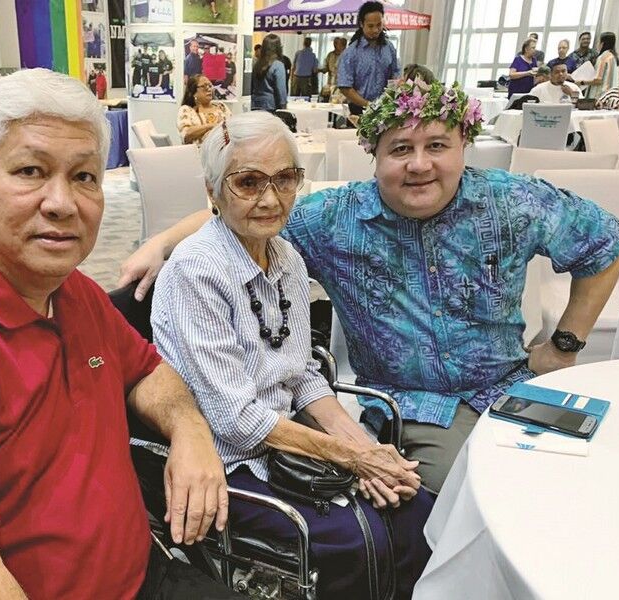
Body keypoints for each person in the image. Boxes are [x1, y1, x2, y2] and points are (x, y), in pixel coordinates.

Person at [118, 81, 619, 494]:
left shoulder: (513, 201)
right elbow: (244, 207)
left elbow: (608, 242)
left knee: (585, 478)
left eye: (437, 145)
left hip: (513, 387)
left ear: (464, 147)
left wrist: (564, 346)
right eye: (400, 149)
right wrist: (161, 241)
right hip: (413, 407)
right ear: (375, 158)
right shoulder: (334, 219)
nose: (419, 164)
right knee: (485, 497)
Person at [0, 68, 238, 600]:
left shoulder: (71, 293)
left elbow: (147, 371)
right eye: (31, 171)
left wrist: (190, 431)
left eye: (84, 177)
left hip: (143, 575)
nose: (63, 203)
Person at [148, 110, 433, 599]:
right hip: (228, 459)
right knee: (351, 539)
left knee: (416, 509)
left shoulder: (287, 258)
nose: (271, 198)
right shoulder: (197, 271)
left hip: (290, 447)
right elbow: (236, 419)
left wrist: (363, 450)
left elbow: (301, 374)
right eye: (248, 182)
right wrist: (350, 458)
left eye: (285, 179)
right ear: (213, 192)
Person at [337, 1, 401, 115]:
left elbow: (396, 76)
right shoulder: (351, 53)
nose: (376, 30)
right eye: (370, 26)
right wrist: (369, 105)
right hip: (359, 110)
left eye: (379, 25)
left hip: (385, 110)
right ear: (362, 24)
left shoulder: (389, 48)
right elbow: (345, 87)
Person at [177, 74, 231, 145]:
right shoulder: (187, 110)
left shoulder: (221, 106)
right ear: (194, 93)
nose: (209, 89)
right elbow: (186, 135)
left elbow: (232, 127)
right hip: (198, 153)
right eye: (204, 86)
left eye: (210, 86)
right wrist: (212, 126)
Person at [250, 33, 288, 113]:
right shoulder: (278, 65)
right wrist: (283, 107)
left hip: (254, 104)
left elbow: (252, 85)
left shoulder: (257, 64)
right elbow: (281, 90)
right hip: (270, 105)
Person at [578, 31, 619, 99]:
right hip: (611, 95)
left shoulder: (603, 57)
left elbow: (598, 80)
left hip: (600, 96)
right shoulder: (614, 57)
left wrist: (581, 82)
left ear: (602, 43)